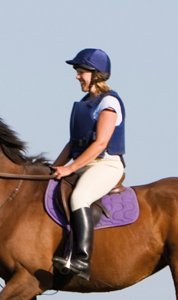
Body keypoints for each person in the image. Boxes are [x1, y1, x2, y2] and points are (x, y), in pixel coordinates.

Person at [50, 48, 123, 281]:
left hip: (106, 165)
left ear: (97, 74)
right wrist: (53, 168)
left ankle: (81, 260)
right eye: (78, 72)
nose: (77, 76)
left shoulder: (108, 102)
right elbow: (73, 144)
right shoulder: (85, 103)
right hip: (86, 164)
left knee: (79, 197)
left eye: (81, 72)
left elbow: (101, 143)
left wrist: (70, 169)